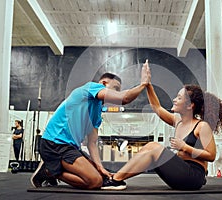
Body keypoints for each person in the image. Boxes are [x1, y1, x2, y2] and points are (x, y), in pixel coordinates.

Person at [30, 60, 151, 189]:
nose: (116, 93)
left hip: (70, 147)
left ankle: (54, 168)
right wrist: (143, 84)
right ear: (104, 83)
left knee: (100, 177)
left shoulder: (97, 111)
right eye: (115, 89)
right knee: (95, 181)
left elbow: (92, 142)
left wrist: (100, 167)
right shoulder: (91, 88)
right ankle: (49, 171)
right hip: (55, 143)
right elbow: (124, 98)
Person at [101, 77, 222, 190]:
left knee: (153, 147)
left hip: (193, 177)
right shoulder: (178, 121)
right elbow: (157, 107)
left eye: (179, 98)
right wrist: (148, 85)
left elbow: (211, 155)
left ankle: (115, 179)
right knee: (151, 149)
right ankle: (116, 177)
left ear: (189, 106)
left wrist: (184, 147)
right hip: (179, 172)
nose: (174, 100)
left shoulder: (202, 126)